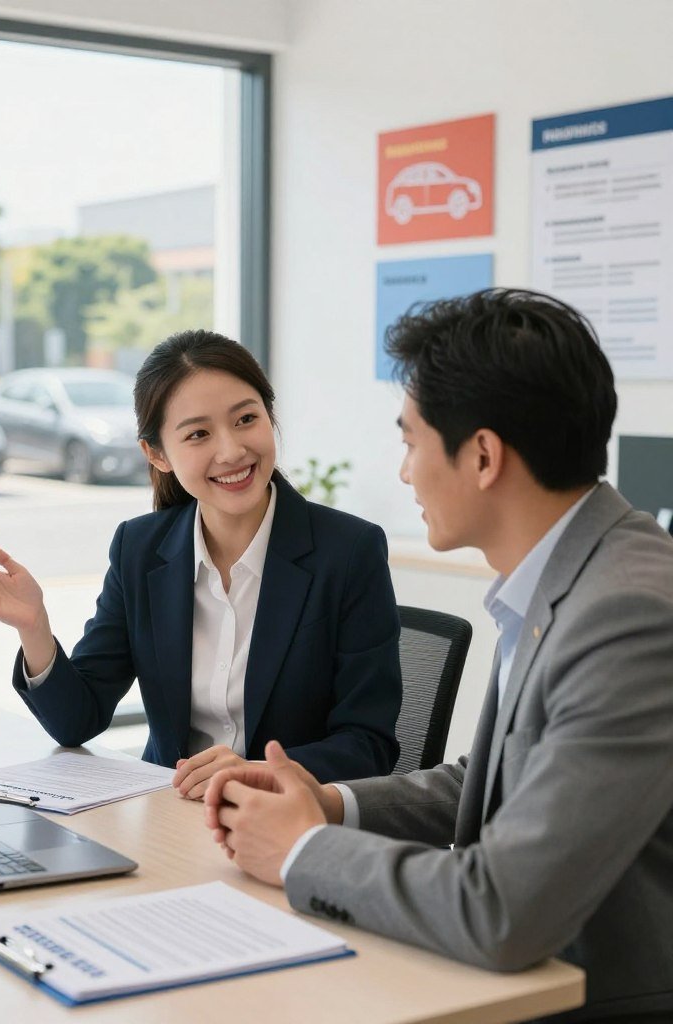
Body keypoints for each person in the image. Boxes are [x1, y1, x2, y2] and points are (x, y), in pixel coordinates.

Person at [203, 289, 673, 1022]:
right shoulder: (574, 573)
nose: (404, 472)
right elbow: (502, 782)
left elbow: (503, 909)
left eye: (410, 441)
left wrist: (300, 851)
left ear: (482, 455)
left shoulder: (629, 612)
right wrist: (328, 802)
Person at [0, 329, 402, 798]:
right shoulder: (140, 549)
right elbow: (77, 721)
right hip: (170, 814)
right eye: (198, 433)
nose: (232, 450)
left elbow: (368, 746)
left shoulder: (349, 551)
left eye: (245, 419)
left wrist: (256, 769)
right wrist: (34, 628)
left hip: (286, 821)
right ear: (156, 453)